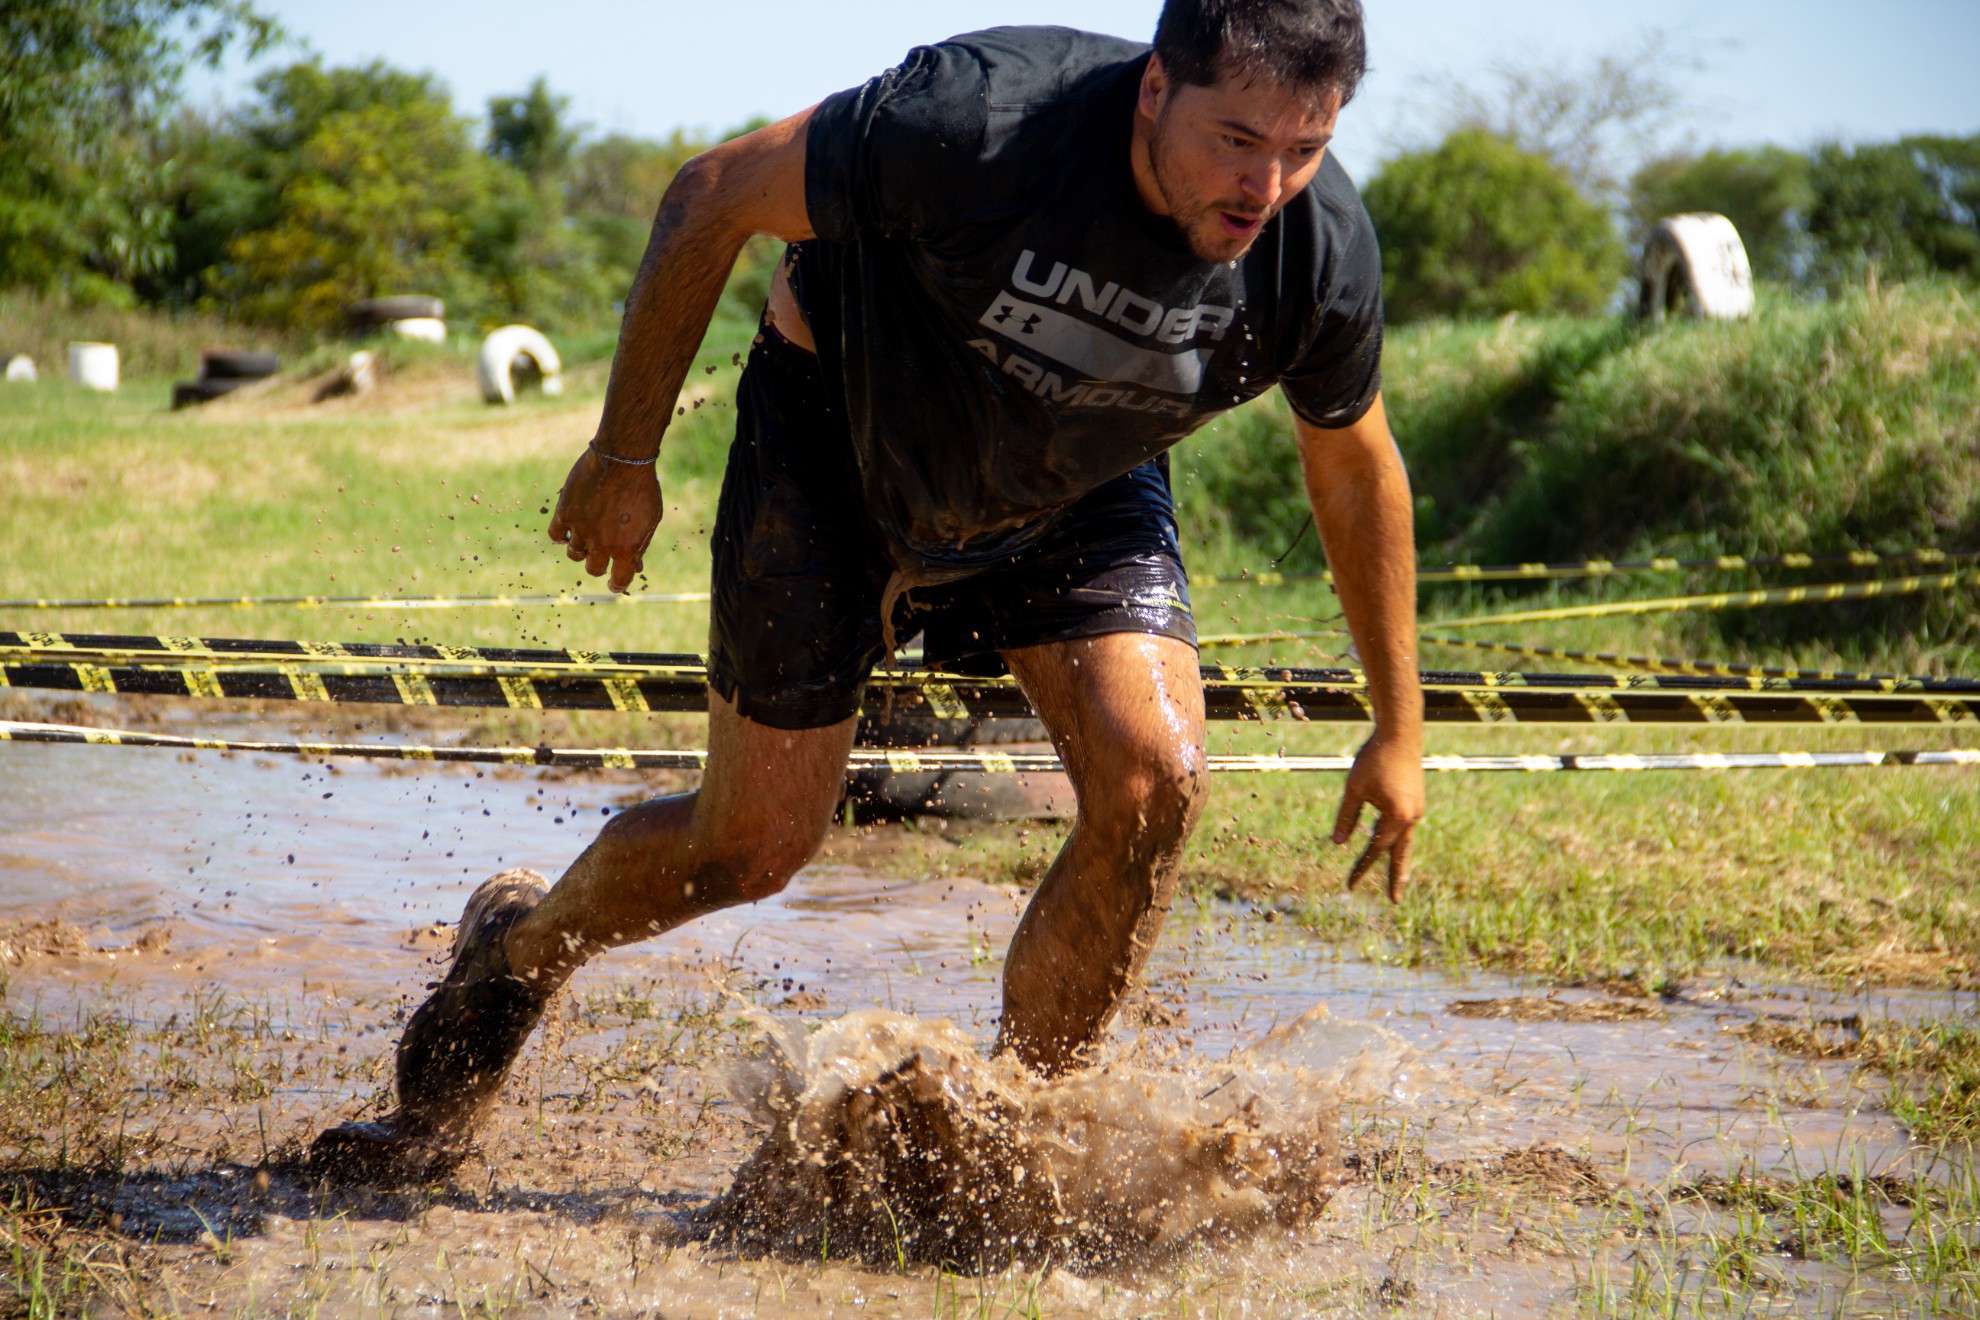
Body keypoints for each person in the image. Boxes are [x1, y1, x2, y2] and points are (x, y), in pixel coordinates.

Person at [313, 0, 1423, 1178]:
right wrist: (624, 456)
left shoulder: (1319, 255)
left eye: (1304, 149)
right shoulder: (979, 119)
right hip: (835, 440)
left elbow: (1355, 465)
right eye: (1237, 140)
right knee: (749, 850)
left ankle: (1005, 1154)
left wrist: (1398, 725)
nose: (1265, 186)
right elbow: (711, 193)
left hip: (1074, 486)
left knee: (1155, 784)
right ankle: (519, 948)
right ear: (1155, 90)